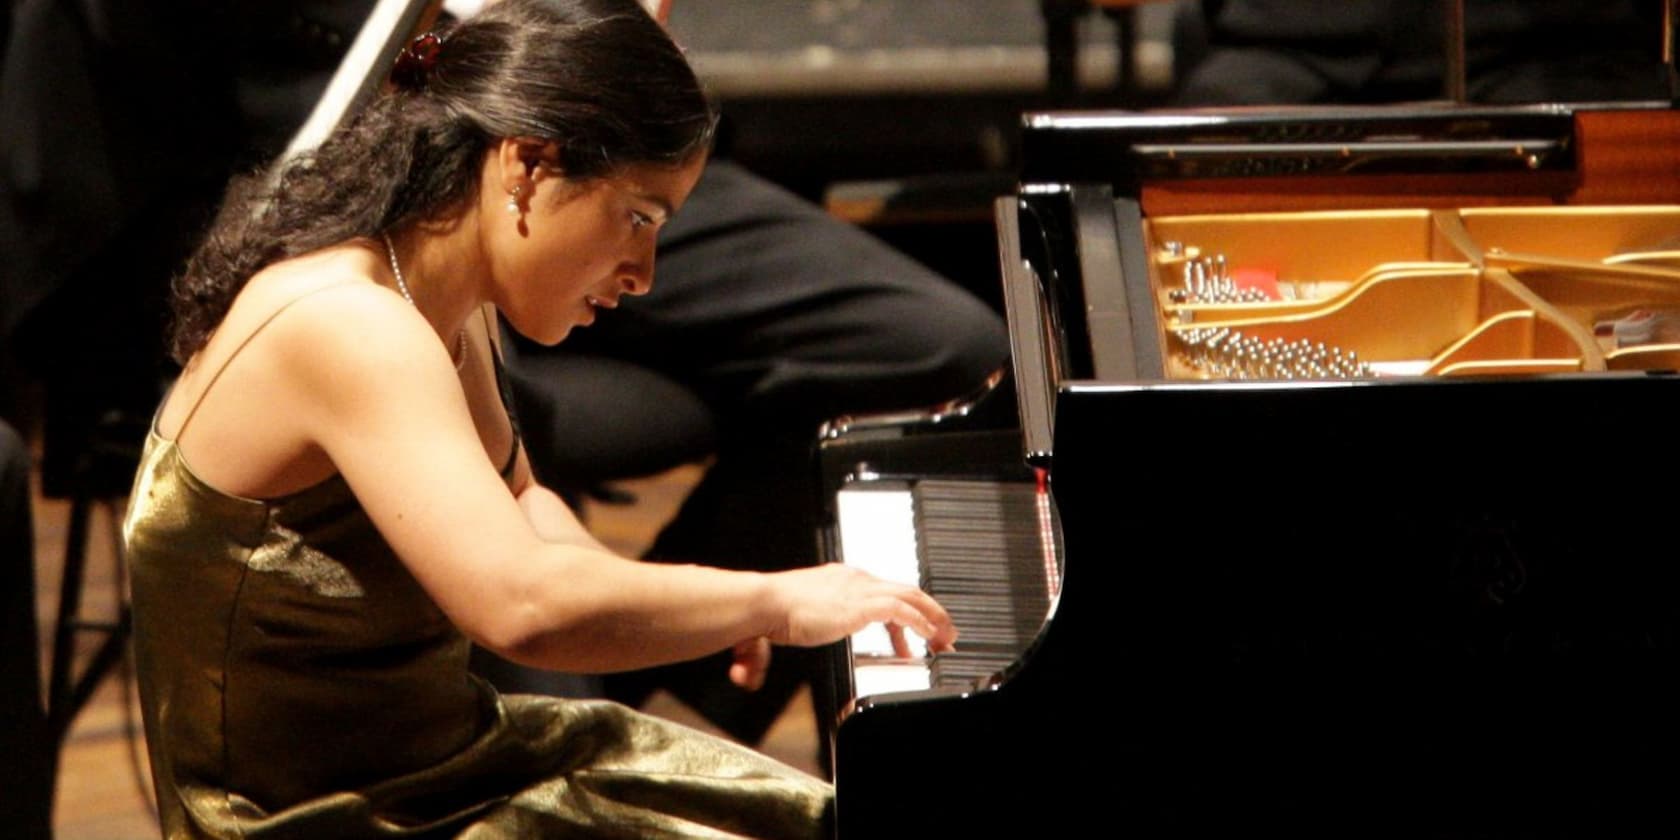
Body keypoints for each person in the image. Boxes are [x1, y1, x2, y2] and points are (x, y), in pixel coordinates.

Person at [120, 1, 956, 836]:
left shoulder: (436, 293)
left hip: (439, 767)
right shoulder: (350, 326)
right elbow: (519, 606)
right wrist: (767, 602)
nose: (644, 275)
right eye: (638, 218)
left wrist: (677, 607)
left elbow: (523, 504)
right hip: (324, 815)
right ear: (526, 168)